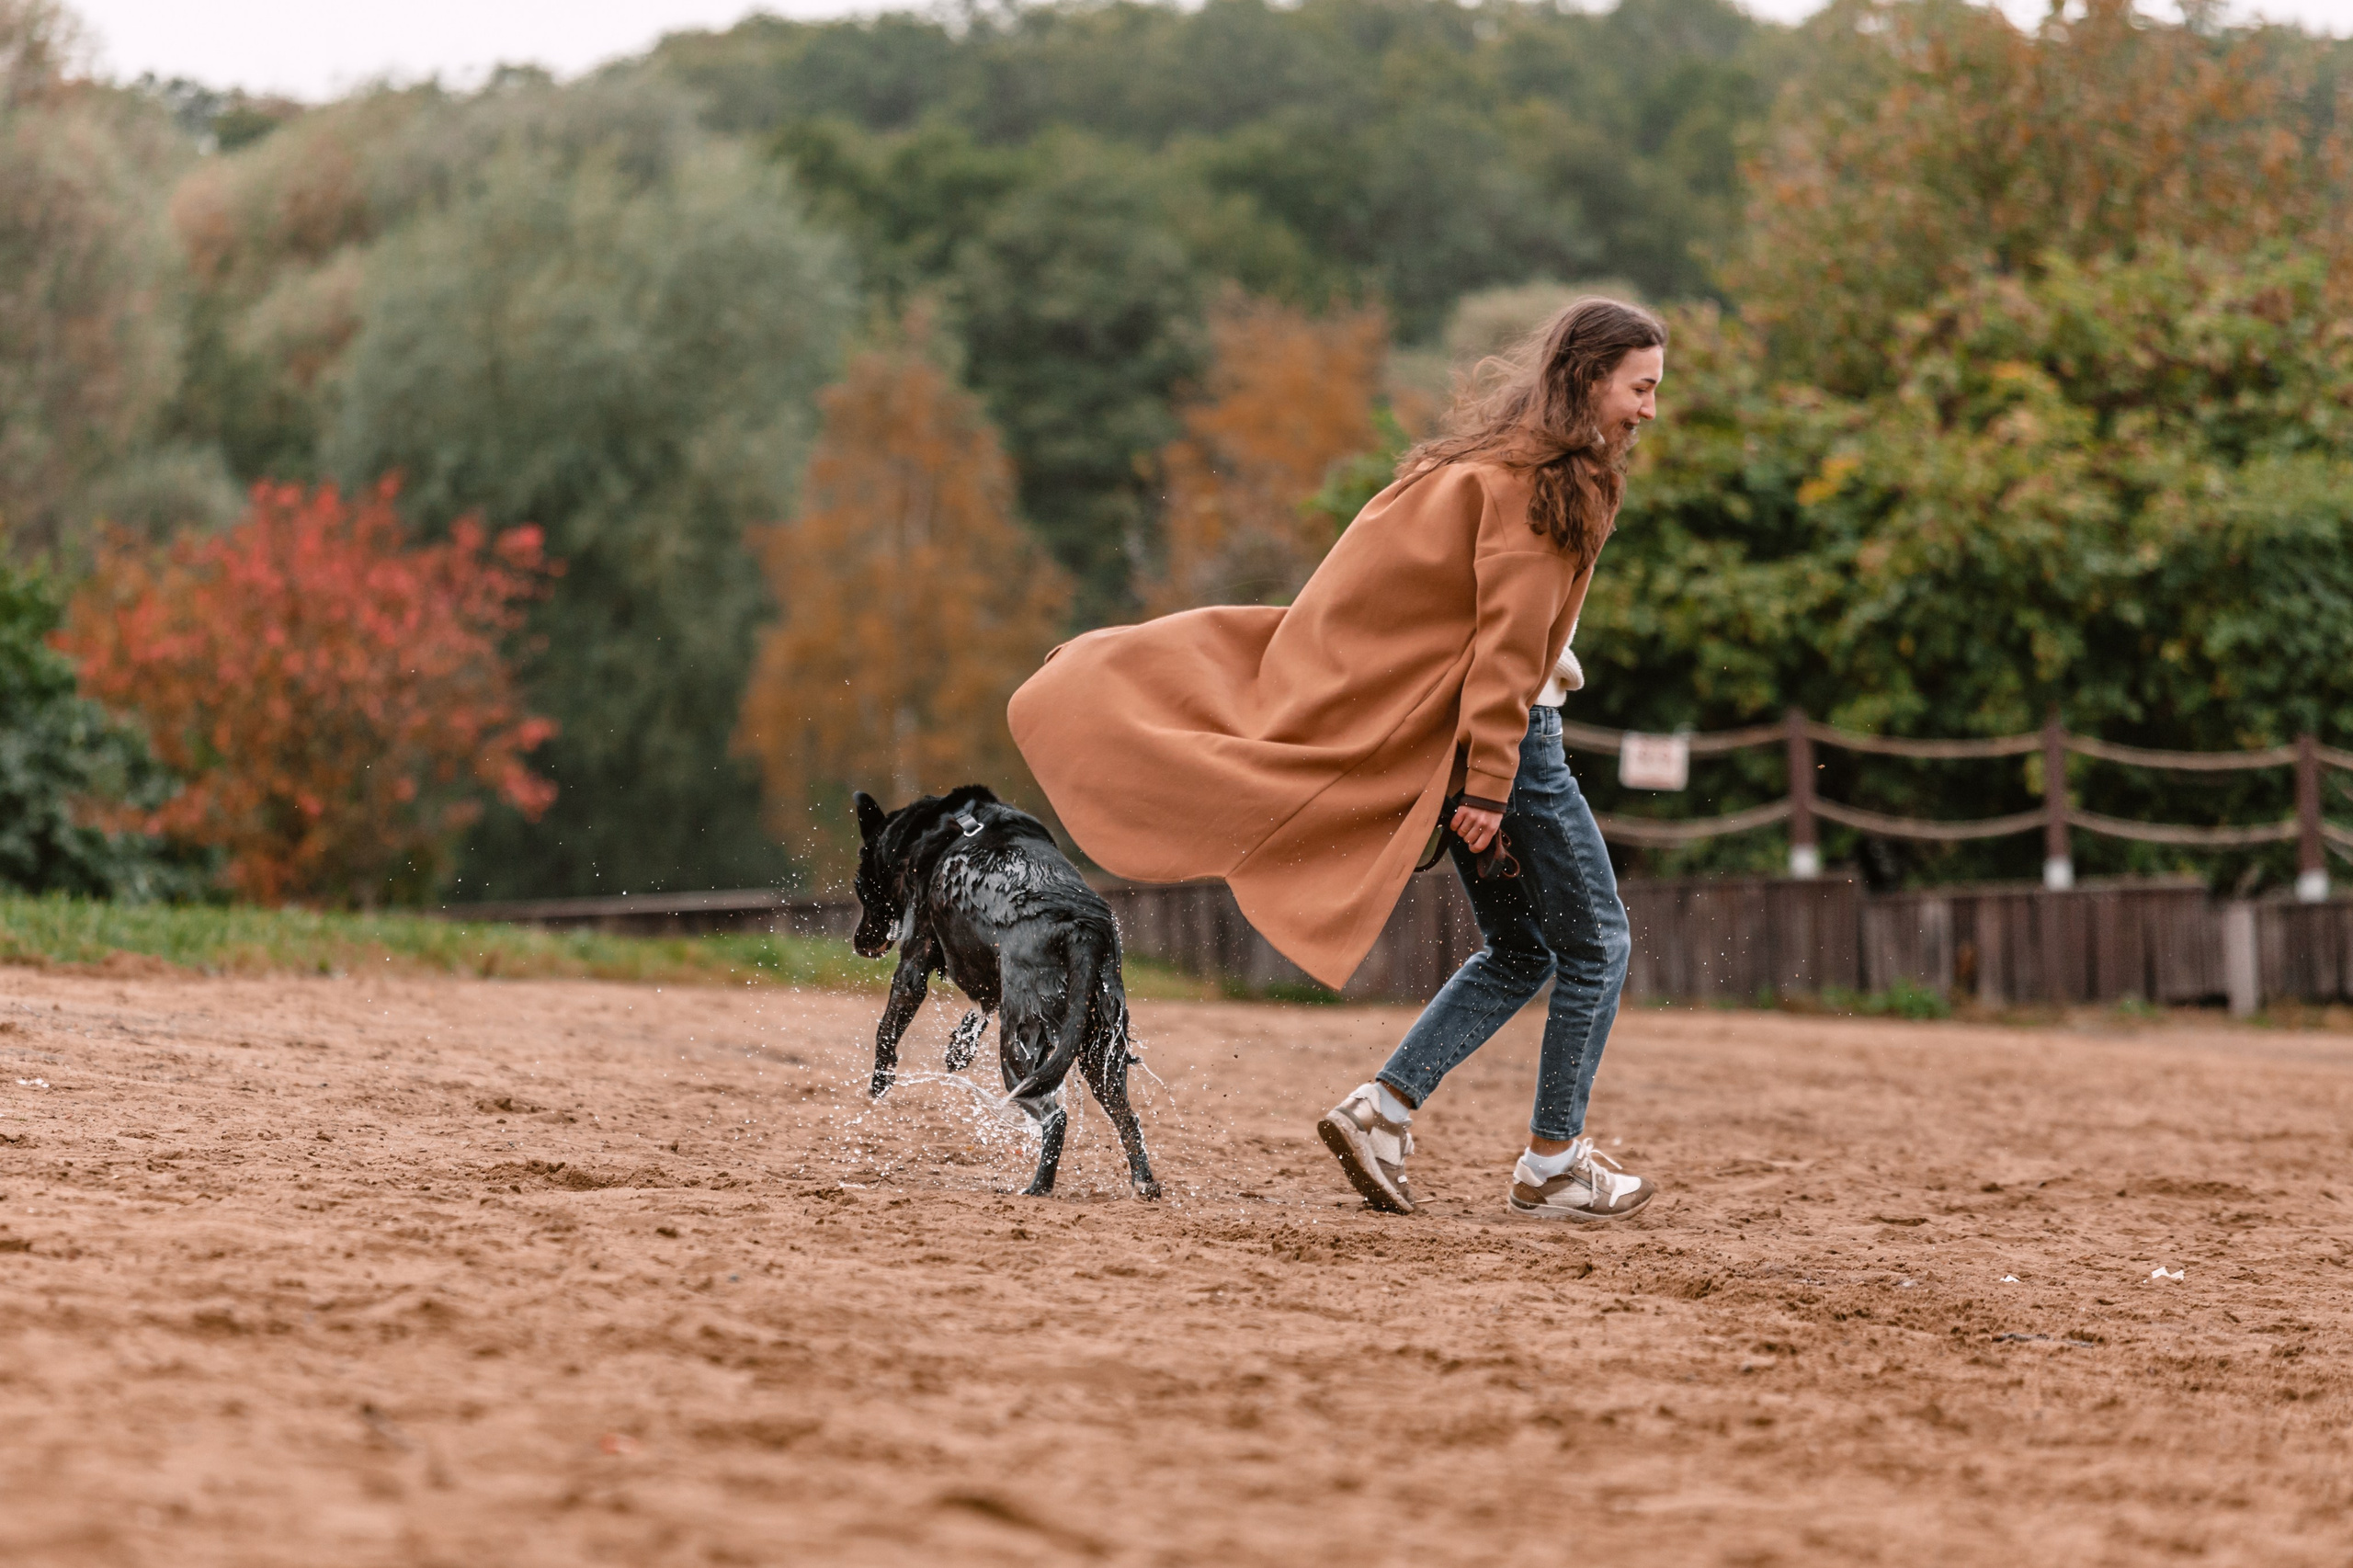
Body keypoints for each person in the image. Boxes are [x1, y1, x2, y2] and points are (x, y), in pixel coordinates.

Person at [1008, 297, 1665, 1221]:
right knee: (1597, 942)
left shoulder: (1467, 464)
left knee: (1521, 948)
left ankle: (1381, 1111)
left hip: (1470, 742)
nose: (1646, 410)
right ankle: (1553, 1161)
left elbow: (1369, 590)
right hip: (1512, 743)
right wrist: (1487, 780)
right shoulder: (1547, 488)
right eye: (1639, 388)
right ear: (1588, 377)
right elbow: (1509, 646)